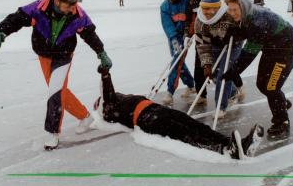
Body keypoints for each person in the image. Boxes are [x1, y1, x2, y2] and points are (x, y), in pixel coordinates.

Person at [0, 0, 113, 150]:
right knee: (59, 90)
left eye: (74, 5)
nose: (72, 9)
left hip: (63, 55)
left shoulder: (78, 14)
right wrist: (0, 34)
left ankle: (53, 133)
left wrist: (101, 53)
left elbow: (90, 34)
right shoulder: (39, 8)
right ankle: (85, 116)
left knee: (56, 91)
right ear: (58, 0)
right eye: (69, 5)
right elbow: (15, 19)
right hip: (44, 54)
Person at [95, 66, 264, 160]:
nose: (117, 94)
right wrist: (105, 75)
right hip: (147, 120)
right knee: (184, 132)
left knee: (195, 125)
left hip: (157, 110)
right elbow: (108, 94)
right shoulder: (110, 109)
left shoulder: (125, 99)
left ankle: (238, 145)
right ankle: (223, 149)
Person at [223, 0, 293, 140]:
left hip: (286, 49)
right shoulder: (249, 13)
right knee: (261, 83)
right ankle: (280, 103)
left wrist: (234, 71)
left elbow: (249, 53)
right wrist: (239, 32)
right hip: (271, 48)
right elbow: (250, 31)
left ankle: (282, 121)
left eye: (235, 10)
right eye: (230, 10)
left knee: (271, 86)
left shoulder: (259, 22)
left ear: (243, 7)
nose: (232, 13)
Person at [194, 0, 245, 119]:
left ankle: (220, 107)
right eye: (205, 8)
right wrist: (206, 64)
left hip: (233, 44)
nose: (208, 12)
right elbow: (202, 44)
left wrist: (238, 33)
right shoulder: (200, 21)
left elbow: (242, 25)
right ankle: (233, 92)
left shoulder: (228, 14)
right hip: (215, 44)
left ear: (218, 7)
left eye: (211, 8)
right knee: (215, 75)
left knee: (224, 73)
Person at [185, 0, 231, 106]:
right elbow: (189, 16)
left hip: (219, 35)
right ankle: (201, 94)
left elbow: (233, 2)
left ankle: (233, 90)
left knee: (221, 67)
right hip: (202, 33)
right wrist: (188, 33)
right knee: (201, 64)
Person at [160, 0, 195, 105]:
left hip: (186, 35)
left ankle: (170, 92)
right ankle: (191, 85)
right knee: (178, 60)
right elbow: (167, 25)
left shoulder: (188, 1)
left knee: (177, 61)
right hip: (174, 37)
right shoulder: (164, 6)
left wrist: (190, 34)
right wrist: (174, 39)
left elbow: (192, 19)